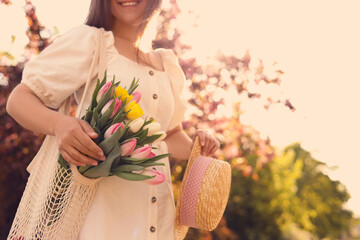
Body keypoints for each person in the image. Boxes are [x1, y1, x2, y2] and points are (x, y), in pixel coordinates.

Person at [6, 0, 220, 239]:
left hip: (157, 218)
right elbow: (20, 99)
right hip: (100, 216)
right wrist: (60, 124)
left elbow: (167, 135)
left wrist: (198, 147)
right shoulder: (91, 42)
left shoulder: (167, 64)